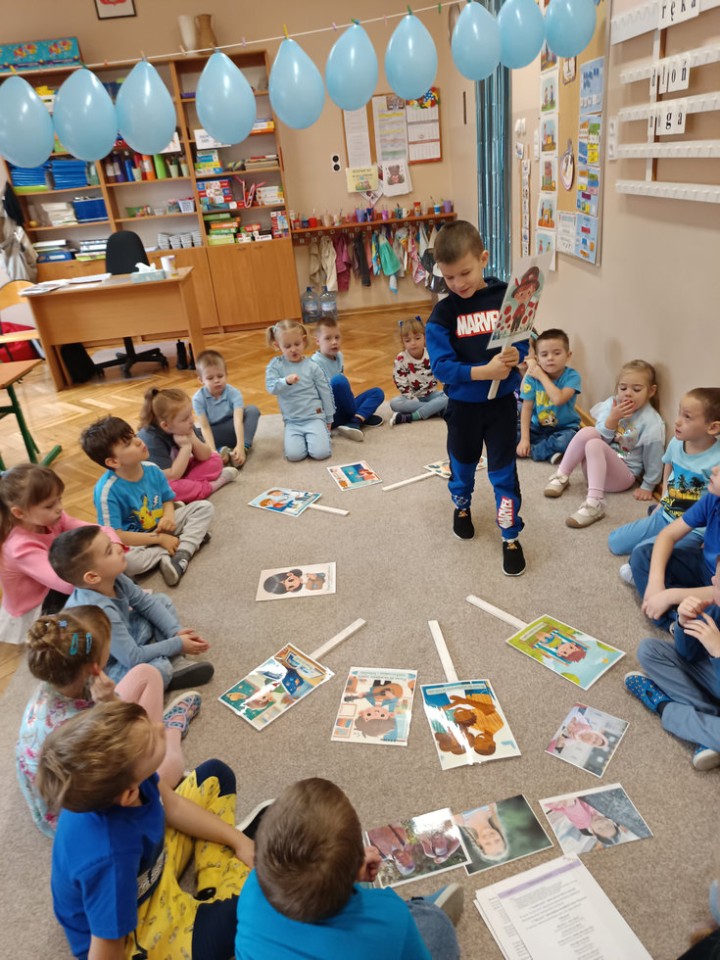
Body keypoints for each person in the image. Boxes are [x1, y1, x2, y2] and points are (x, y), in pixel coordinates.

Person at [37, 700, 255, 960]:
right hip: (135, 927)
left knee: (216, 776)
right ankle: (221, 890)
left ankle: (211, 887)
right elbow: (104, 952)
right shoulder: (110, 860)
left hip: (149, 866)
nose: (160, 727)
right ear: (129, 794)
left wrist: (238, 840)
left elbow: (173, 806)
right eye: (152, 740)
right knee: (255, 909)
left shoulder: (128, 781)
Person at [16, 606, 199, 837]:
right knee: (169, 765)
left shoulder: (56, 679)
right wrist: (112, 703)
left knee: (146, 673)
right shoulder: (84, 727)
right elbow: (112, 775)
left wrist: (109, 700)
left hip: (83, 743)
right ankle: (172, 731)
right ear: (94, 666)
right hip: (86, 799)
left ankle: (152, 734)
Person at [235, 778, 463, 960]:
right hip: (379, 932)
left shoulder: (253, 887)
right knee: (435, 924)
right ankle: (422, 907)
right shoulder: (388, 913)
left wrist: (351, 872)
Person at [426, 219, 528, 576]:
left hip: (501, 406)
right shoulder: (443, 314)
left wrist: (516, 355)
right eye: (449, 277)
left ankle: (510, 535)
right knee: (462, 467)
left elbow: (522, 338)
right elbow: (441, 368)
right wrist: (484, 371)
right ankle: (462, 505)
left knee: (504, 474)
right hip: (464, 409)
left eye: (465, 273)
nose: (458, 283)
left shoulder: (506, 297)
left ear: (483, 258)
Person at [49, 524, 214, 691]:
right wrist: (177, 644)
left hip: (120, 643)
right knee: (157, 670)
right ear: (92, 577)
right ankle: (167, 669)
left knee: (161, 601)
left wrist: (175, 632)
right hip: (106, 669)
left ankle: (173, 660)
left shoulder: (115, 576)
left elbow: (145, 603)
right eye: (109, 551)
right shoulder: (98, 611)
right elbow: (132, 657)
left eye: (111, 542)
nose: (118, 547)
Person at [81, 415, 213, 587]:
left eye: (134, 436)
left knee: (204, 507)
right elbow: (117, 535)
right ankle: (175, 548)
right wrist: (159, 539)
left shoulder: (152, 469)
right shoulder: (106, 492)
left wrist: (169, 517)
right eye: (128, 443)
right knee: (126, 563)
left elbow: (167, 499)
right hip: (136, 541)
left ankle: (182, 554)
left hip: (162, 526)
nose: (138, 442)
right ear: (113, 461)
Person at [0, 464, 122, 644]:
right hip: (40, 603)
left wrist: (114, 543)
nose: (59, 508)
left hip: (58, 580)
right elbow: (67, 584)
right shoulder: (19, 548)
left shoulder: (51, 517)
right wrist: (106, 565)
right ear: (19, 513)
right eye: (50, 505)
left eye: (59, 499)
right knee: (89, 620)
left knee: (106, 569)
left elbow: (95, 530)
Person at [625, 555, 720, 771]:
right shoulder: (716, 606)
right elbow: (688, 655)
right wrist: (684, 623)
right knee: (650, 650)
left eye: (718, 581)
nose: (712, 580)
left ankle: (664, 706)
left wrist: (717, 652)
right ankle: (706, 721)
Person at [544, 359, 664, 529]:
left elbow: (654, 457)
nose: (628, 394)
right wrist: (612, 420)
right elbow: (600, 437)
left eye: (636, 389)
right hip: (594, 470)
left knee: (595, 444)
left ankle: (595, 503)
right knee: (588, 432)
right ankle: (561, 475)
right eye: (623, 388)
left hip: (622, 477)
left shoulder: (651, 422)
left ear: (651, 391)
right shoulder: (612, 404)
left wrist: (648, 486)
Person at [609, 388, 720, 570]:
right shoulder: (676, 443)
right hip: (666, 514)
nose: (677, 421)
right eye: (679, 413)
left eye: (687, 417)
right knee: (615, 542)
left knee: (641, 555)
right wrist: (662, 500)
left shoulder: (717, 460)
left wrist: (708, 537)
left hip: (693, 529)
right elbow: (668, 465)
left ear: (713, 427)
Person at [631, 467, 720, 628]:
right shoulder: (714, 498)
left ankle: (674, 623)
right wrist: (655, 582)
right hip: (703, 568)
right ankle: (676, 620)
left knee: (713, 616)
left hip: (716, 589)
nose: (714, 469)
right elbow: (668, 535)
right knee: (642, 556)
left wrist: (670, 595)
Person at [137, 386, 238, 502]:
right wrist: (185, 447)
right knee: (168, 489)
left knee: (215, 459)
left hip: (182, 472)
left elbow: (205, 455)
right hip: (163, 480)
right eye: (185, 419)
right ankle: (212, 485)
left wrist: (191, 437)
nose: (191, 420)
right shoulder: (151, 439)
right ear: (165, 425)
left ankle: (188, 490)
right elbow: (171, 476)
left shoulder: (186, 425)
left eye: (190, 414)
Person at [266, 319, 335, 462]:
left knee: (321, 454)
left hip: (314, 417)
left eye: (297, 344)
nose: (293, 349)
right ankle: (309, 438)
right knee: (294, 456)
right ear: (277, 345)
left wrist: (329, 417)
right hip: (292, 421)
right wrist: (286, 381)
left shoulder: (312, 366)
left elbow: (325, 392)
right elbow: (271, 387)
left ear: (303, 341)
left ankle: (320, 434)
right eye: (287, 346)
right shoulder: (275, 365)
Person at [311, 316, 384, 441]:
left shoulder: (339, 355)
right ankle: (360, 416)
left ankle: (355, 420)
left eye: (337, 337)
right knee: (339, 380)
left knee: (378, 393)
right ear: (318, 341)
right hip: (329, 415)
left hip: (343, 407)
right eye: (328, 338)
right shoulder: (314, 363)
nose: (334, 342)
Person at [516, 327, 582, 463]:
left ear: (568, 355)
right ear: (537, 358)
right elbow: (526, 408)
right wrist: (524, 439)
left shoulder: (572, 376)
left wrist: (542, 376)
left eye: (557, 353)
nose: (550, 358)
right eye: (544, 355)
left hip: (564, 428)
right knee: (507, 437)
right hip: (537, 427)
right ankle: (548, 452)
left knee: (569, 441)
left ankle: (535, 451)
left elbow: (558, 399)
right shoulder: (531, 378)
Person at [192, 348, 261, 468]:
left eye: (220, 376)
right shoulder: (198, 399)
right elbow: (205, 427)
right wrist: (212, 452)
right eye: (210, 378)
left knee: (252, 410)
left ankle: (243, 449)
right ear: (201, 380)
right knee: (191, 431)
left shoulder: (234, 393)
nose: (216, 381)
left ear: (226, 374)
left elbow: (237, 421)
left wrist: (240, 445)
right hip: (214, 433)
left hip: (233, 429)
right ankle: (221, 452)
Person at [389, 316, 448, 426]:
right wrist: (412, 398)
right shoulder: (400, 359)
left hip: (431, 394)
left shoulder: (431, 353)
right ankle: (435, 410)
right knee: (394, 403)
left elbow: (441, 373)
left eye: (417, 338)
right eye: (408, 340)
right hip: (412, 398)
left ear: (424, 338)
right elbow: (400, 382)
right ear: (403, 342)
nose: (413, 343)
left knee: (449, 397)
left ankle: (413, 416)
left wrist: (448, 388)